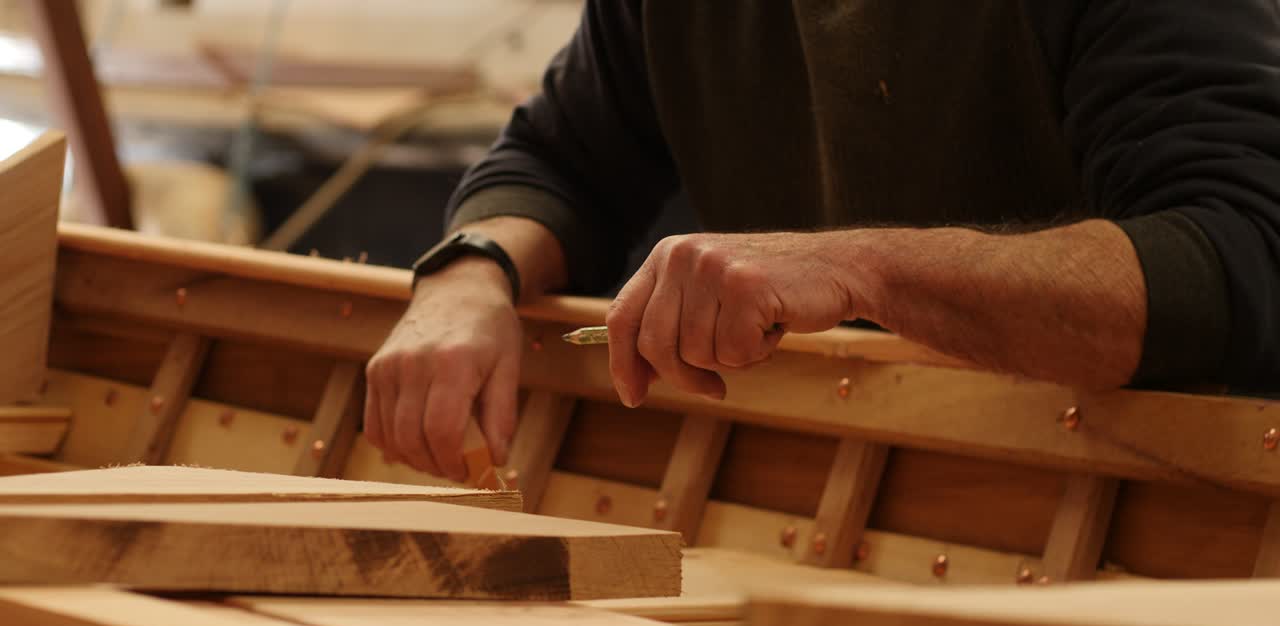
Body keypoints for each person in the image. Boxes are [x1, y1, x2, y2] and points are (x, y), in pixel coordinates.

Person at [364, 1, 1280, 481]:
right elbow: (562, 161)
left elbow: (1240, 253)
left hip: (1151, 523)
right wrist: (469, 275)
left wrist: (859, 268)